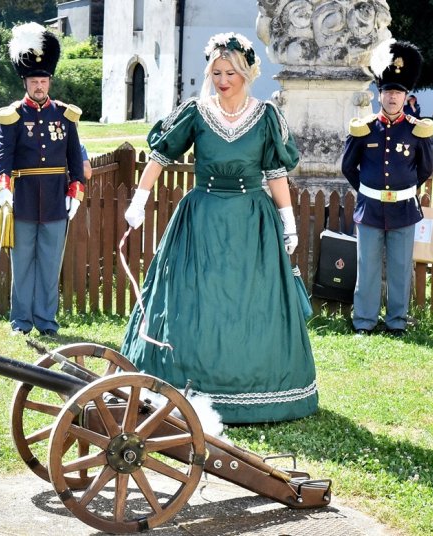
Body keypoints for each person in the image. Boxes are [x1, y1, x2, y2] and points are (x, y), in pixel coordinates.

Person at [120, 32, 317, 424]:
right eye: (216, 72)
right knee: (191, 297)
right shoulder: (196, 111)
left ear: (246, 73)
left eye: (230, 72)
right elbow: (159, 155)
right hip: (202, 219)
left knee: (249, 301)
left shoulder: (266, 117)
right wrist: (139, 200)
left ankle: (260, 393)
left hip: (251, 222)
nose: (223, 79)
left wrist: (288, 221)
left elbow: (276, 173)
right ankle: (178, 387)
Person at [0, 23, 85, 337]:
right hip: (22, 200)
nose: (39, 86)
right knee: (22, 265)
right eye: (34, 80)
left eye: (43, 80)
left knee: (49, 266)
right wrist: (3, 190)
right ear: (25, 82)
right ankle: (21, 321)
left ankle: (46, 322)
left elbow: (75, 160)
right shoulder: (12, 116)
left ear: (49, 81)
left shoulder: (65, 115)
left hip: (56, 201)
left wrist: (75, 192)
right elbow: (2, 161)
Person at [342, 39, 433, 337]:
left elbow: (426, 168)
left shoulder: (416, 130)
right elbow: (347, 166)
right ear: (379, 94)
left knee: (399, 267)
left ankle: (397, 321)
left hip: (404, 210)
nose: (392, 97)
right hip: (370, 208)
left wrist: (406, 187)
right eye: (387, 91)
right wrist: (367, 190)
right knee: (367, 267)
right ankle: (364, 322)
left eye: (398, 92)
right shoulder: (365, 128)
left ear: (406, 96)